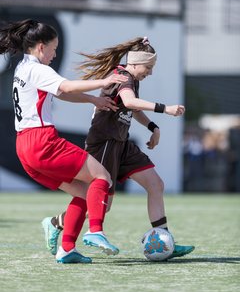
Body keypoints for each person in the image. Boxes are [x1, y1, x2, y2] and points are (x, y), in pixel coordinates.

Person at [42, 36, 195, 260]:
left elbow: (131, 108)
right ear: (134, 63)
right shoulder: (123, 76)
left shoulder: (131, 77)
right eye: (148, 67)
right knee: (102, 205)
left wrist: (153, 126)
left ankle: (165, 241)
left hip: (121, 143)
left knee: (156, 184)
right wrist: (165, 109)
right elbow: (130, 102)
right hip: (104, 142)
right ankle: (56, 222)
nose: (150, 72)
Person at [0, 19, 129, 263]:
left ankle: (67, 248)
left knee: (83, 194)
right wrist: (104, 82)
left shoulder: (22, 67)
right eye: (53, 48)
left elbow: (61, 92)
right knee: (102, 177)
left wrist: (93, 100)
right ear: (40, 47)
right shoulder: (38, 69)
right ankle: (96, 231)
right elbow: (67, 86)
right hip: (42, 141)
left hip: (24, 146)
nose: (55, 54)